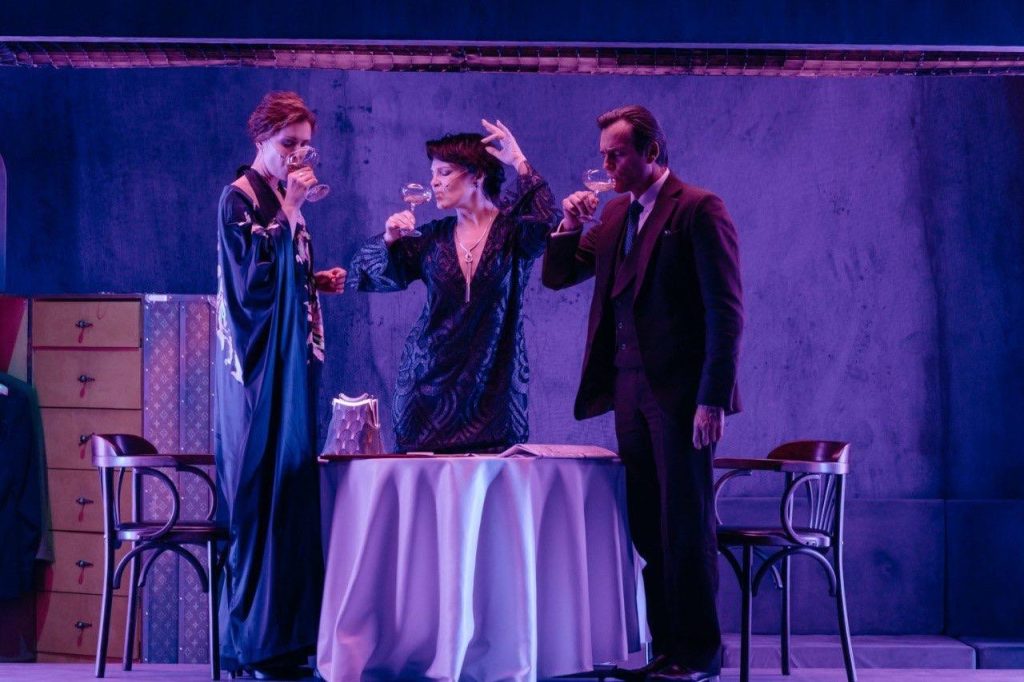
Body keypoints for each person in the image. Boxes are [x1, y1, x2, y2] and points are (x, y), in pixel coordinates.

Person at [542, 105, 743, 682]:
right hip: (627, 389)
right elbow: (558, 276)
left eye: (617, 155)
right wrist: (567, 225)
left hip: (681, 394)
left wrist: (712, 397)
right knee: (649, 527)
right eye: (603, 156)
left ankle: (700, 655)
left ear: (651, 151)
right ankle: (667, 651)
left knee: (685, 524)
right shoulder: (613, 215)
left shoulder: (698, 208)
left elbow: (726, 312)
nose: (606, 166)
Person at [214, 91, 346, 680]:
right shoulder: (239, 198)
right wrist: (290, 209)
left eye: (304, 145)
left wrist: (315, 280)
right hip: (258, 372)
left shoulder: (279, 198)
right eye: (287, 143)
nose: (297, 155)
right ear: (260, 140)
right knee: (261, 493)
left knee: (291, 492)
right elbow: (249, 284)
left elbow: (286, 273)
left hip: (290, 363)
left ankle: (290, 640)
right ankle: (257, 644)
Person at [350, 120, 559, 453]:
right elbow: (363, 274)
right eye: (432, 173)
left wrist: (518, 160)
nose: (434, 182)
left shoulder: (513, 233)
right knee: (425, 484)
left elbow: (548, 219)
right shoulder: (432, 237)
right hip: (426, 395)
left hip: (494, 395)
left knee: (494, 484)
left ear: (477, 175)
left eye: (444, 173)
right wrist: (389, 239)